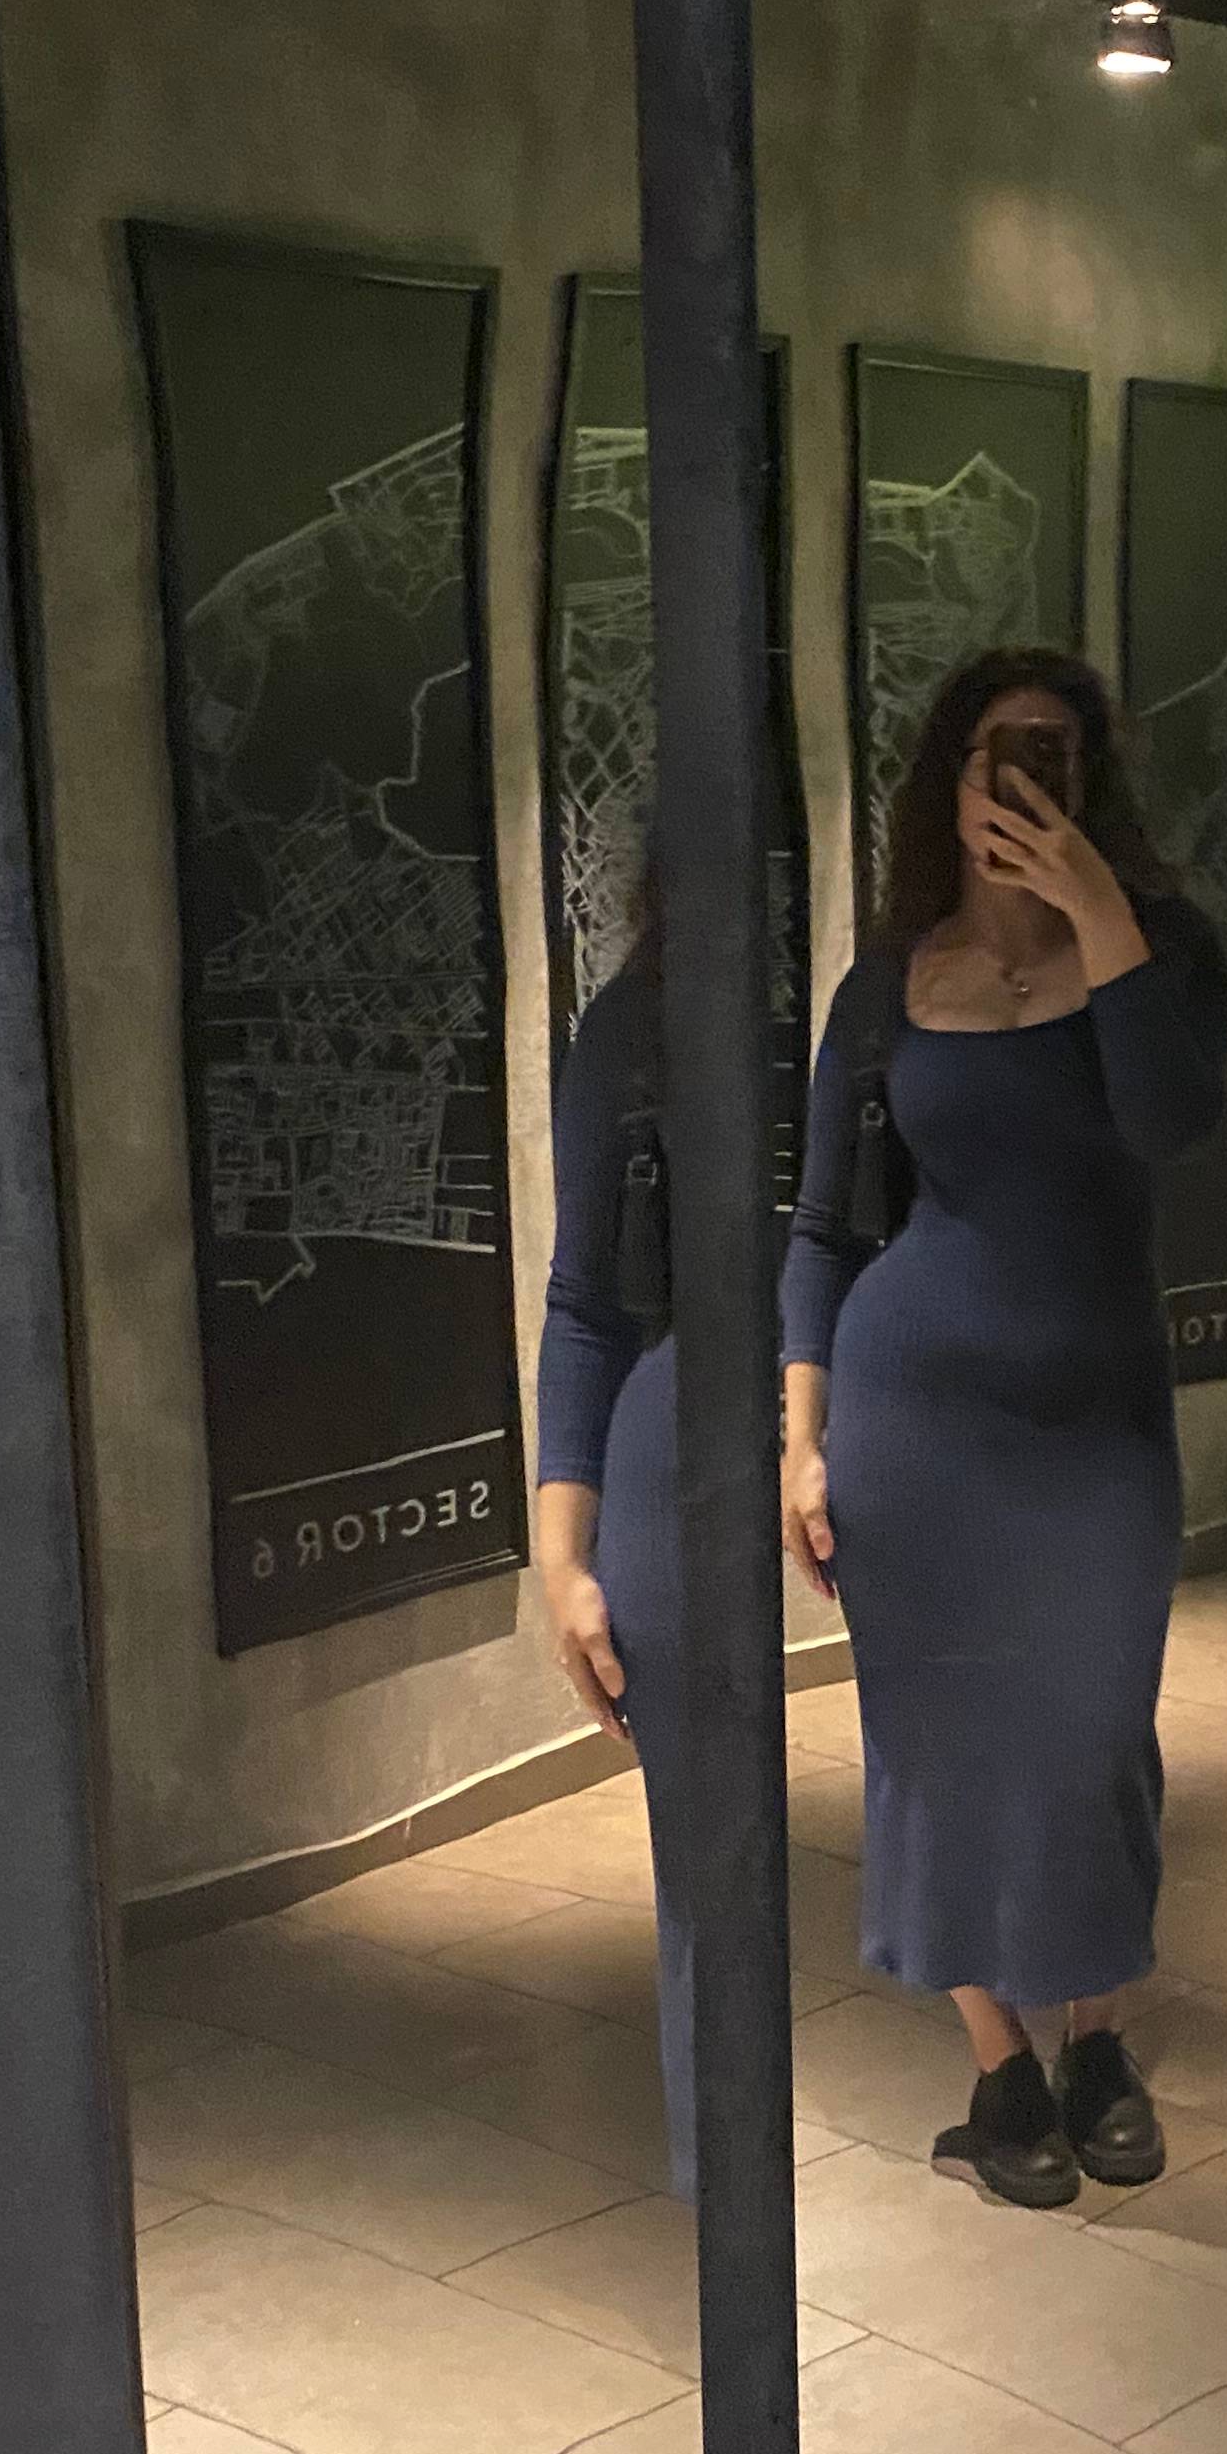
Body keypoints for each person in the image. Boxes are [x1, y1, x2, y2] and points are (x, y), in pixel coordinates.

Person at [779, 645, 1227, 2207]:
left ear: (1091, 781)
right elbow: (823, 1227)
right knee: (937, 1743)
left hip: (1097, 1426)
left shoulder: (1163, 949)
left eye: (1055, 753)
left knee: (1095, 1736)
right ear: (951, 782)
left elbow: (1171, 1120)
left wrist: (1098, 912)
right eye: (997, 754)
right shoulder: (885, 987)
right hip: (912, 1420)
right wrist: (802, 1437)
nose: (1024, 779)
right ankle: (999, 2062)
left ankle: (1099, 2035)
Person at [533, 867, 701, 2198]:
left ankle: (1046, 2047)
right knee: (701, 1852)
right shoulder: (629, 1032)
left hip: (897, 1407)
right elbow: (586, 1300)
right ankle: (722, 2190)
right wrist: (560, 1556)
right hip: (669, 1433)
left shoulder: (890, 1001)